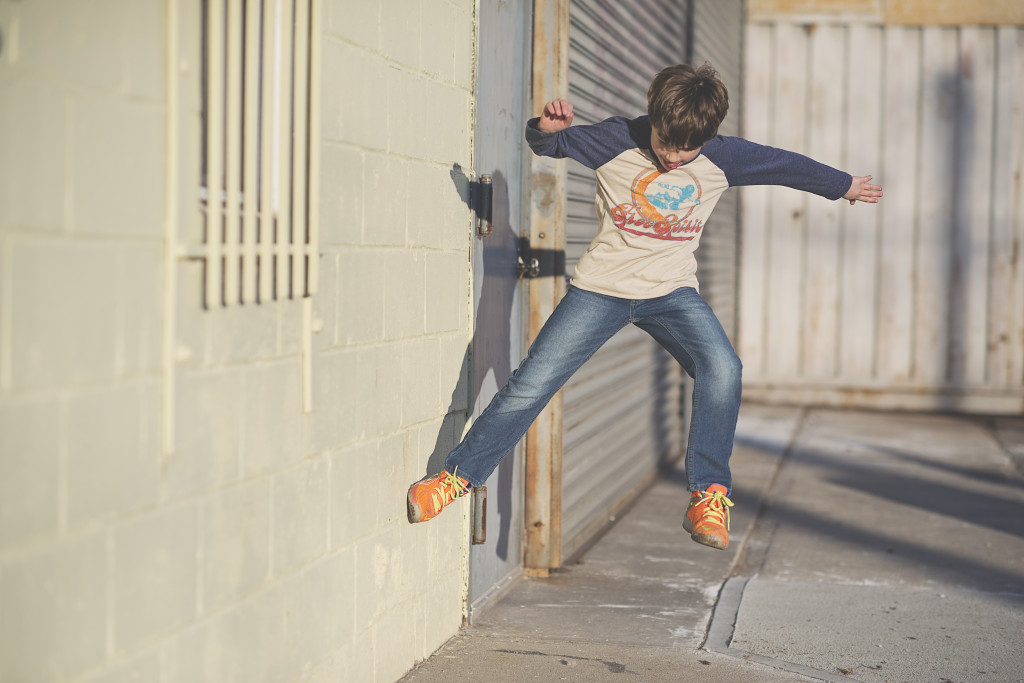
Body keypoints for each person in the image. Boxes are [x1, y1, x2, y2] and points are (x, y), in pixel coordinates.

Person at [407, 63, 882, 550]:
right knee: (531, 385)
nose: (674, 158)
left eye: (686, 151)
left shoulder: (724, 157)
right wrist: (545, 131)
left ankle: (708, 496)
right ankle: (456, 478)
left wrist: (842, 184)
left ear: (708, 137)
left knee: (723, 368)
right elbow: (550, 145)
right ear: (652, 114)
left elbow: (784, 164)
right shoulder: (616, 138)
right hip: (600, 291)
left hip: (671, 292)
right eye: (665, 145)